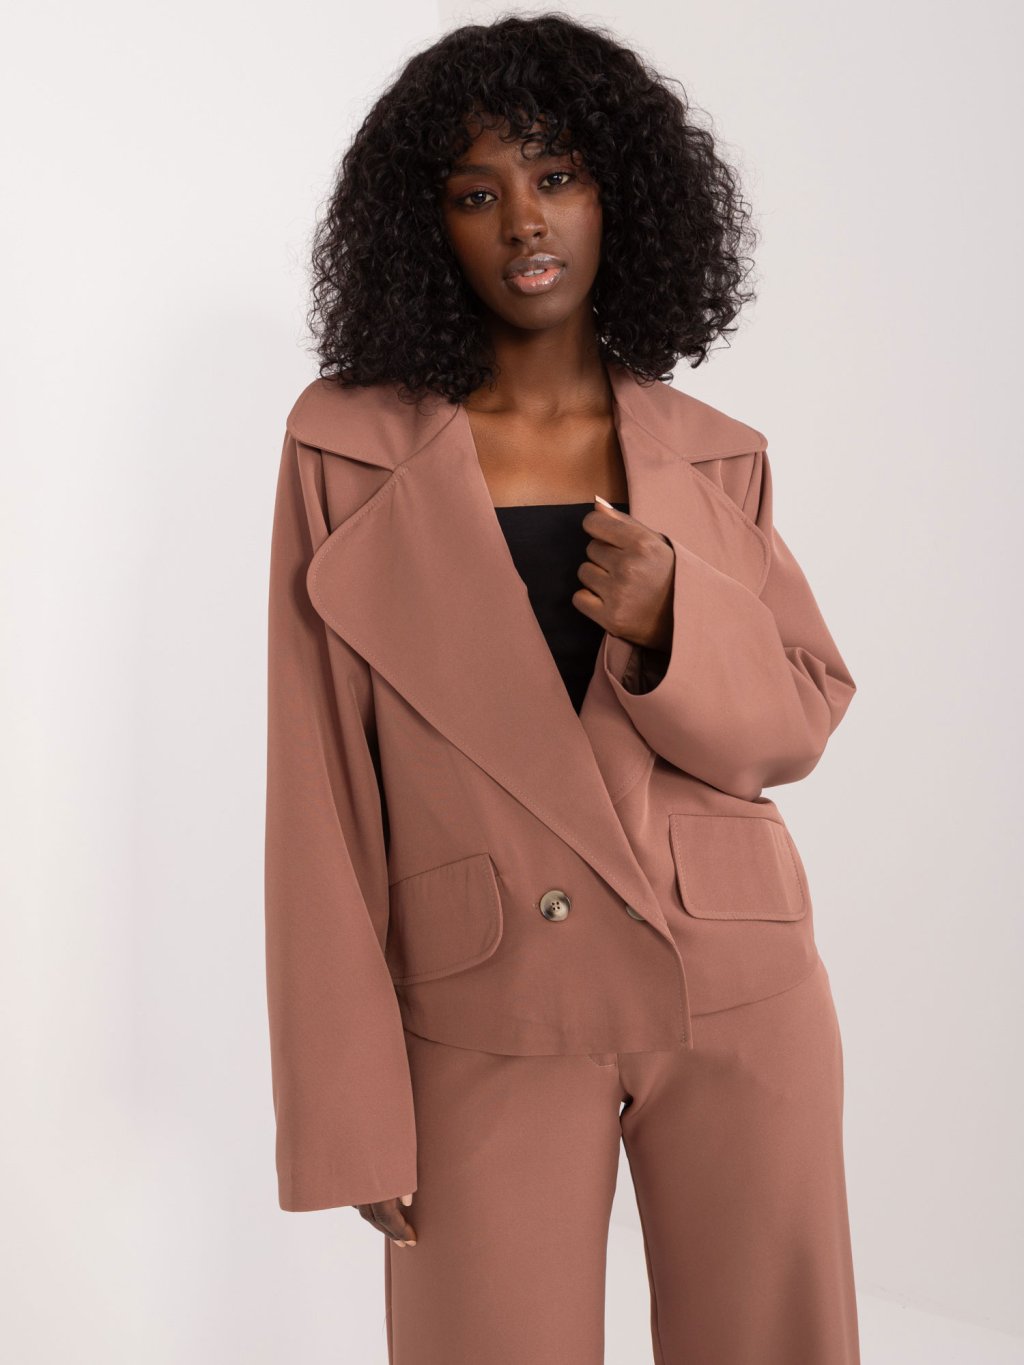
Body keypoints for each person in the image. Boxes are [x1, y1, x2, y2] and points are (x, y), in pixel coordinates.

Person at [264, 12, 861, 1363]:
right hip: (487, 1000)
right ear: (425, 227)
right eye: (475, 193)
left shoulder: (713, 455)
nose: (524, 220)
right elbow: (317, 784)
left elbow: (795, 719)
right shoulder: (344, 451)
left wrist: (675, 623)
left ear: (620, 197)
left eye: (557, 175)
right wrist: (349, 1103)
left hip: (736, 979)